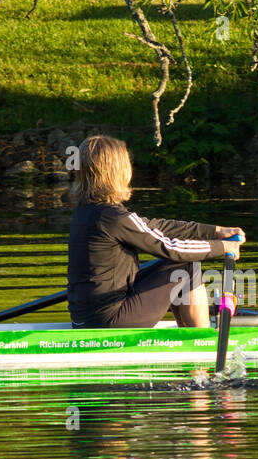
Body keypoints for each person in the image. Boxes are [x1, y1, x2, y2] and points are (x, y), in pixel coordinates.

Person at [67, 135, 244, 328]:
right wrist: (223, 247)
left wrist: (215, 231)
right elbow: (170, 247)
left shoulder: (87, 211)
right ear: (118, 171)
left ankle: (187, 334)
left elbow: (156, 227)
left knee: (174, 265)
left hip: (85, 318)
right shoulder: (113, 217)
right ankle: (203, 341)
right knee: (187, 266)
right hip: (110, 320)